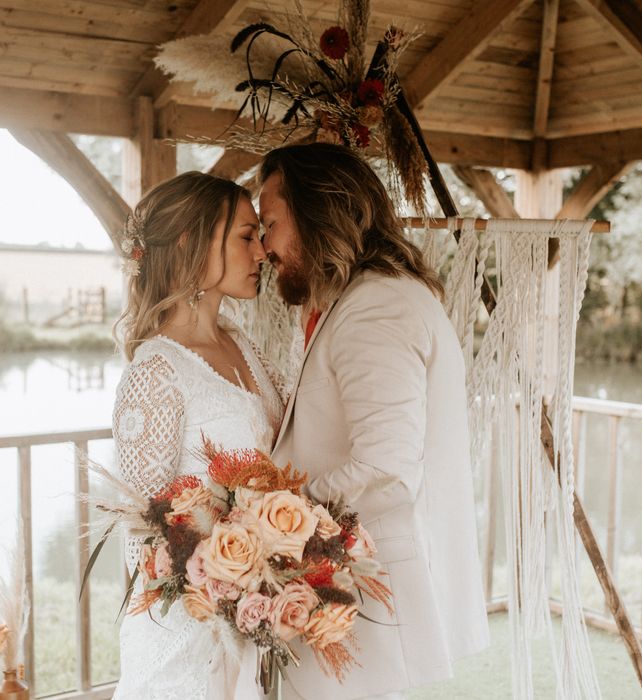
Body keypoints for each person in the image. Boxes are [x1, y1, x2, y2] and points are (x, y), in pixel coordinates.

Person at [259, 143, 490, 700]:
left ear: (317, 211)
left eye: (269, 224)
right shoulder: (352, 300)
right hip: (347, 576)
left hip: (366, 583)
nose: (264, 246)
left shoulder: (375, 307)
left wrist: (274, 520)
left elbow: (384, 465)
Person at [110, 171, 285, 700]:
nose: (261, 252)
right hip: (186, 634)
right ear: (191, 242)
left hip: (257, 620)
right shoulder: (156, 369)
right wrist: (223, 578)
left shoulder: (243, 344)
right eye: (245, 235)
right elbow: (141, 534)